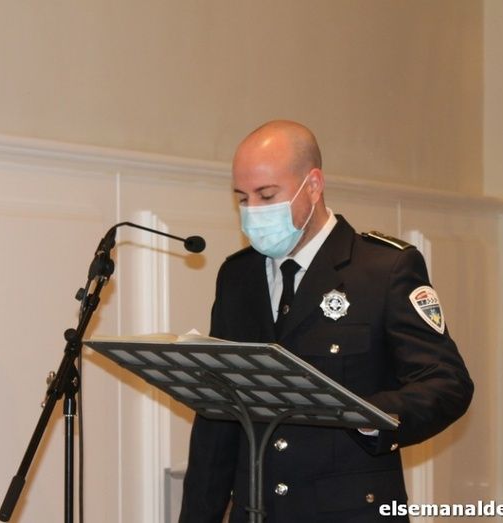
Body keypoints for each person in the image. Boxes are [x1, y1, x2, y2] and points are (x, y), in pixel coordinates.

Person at [179, 120, 473, 523]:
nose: (253, 211)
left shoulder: (382, 269)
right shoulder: (238, 276)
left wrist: (372, 416)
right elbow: (218, 416)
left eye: (267, 195)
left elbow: (447, 384)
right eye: (242, 198)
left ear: (313, 185)